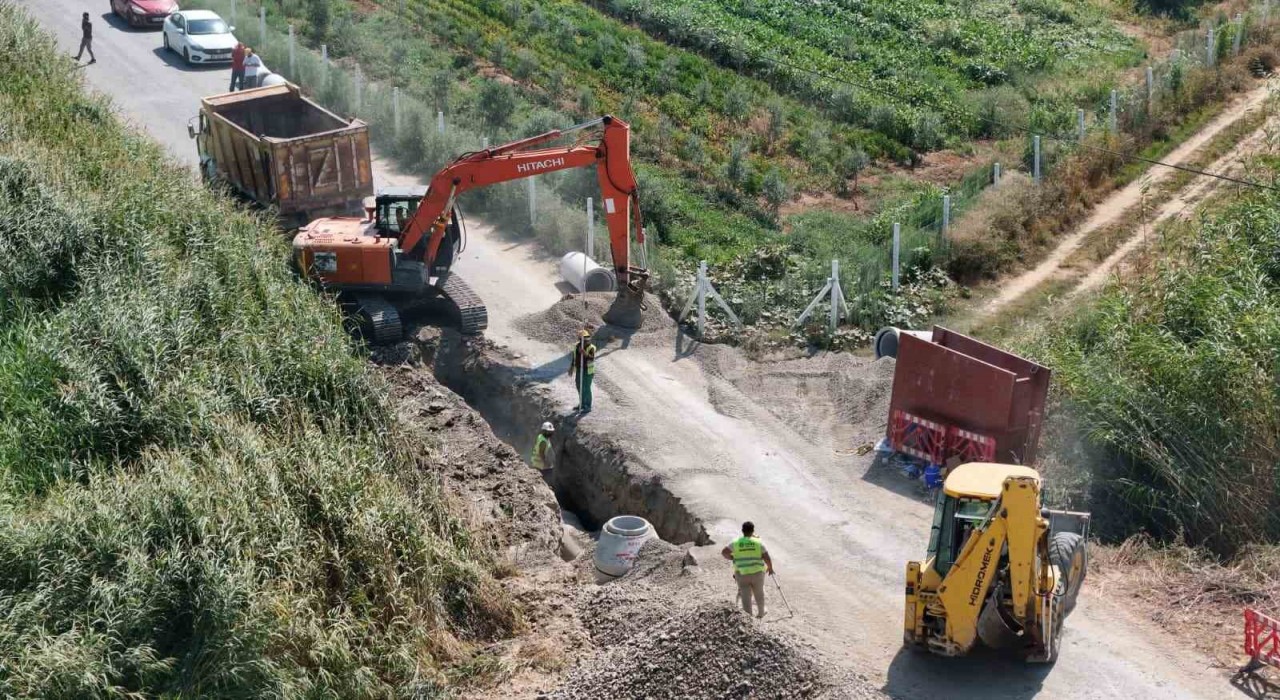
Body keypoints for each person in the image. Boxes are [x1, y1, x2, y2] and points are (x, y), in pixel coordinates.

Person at [721, 521, 774, 618]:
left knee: (745, 594)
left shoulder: (736, 542)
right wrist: (770, 568)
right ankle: (761, 612)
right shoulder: (758, 542)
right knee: (759, 592)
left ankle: (748, 615)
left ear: (742, 531)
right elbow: (766, 556)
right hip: (757, 573)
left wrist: (733, 558)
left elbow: (724, 552)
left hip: (742, 573)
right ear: (753, 530)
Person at [568, 325, 596, 413]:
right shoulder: (577, 346)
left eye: (588, 339)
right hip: (579, 370)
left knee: (586, 388)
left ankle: (588, 406)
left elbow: (591, 358)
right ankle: (582, 404)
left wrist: (584, 353)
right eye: (584, 339)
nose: (587, 341)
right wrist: (572, 367)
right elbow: (575, 357)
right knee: (579, 386)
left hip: (588, 371)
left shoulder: (591, 347)